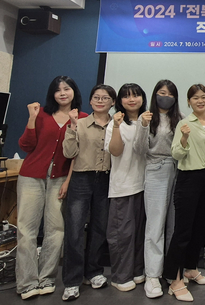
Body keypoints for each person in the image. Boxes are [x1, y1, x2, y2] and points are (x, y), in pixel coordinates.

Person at [16, 76, 86, 300]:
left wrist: (68, 181)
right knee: (26, 230)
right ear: (52, 94)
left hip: (61, 178)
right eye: (57, 90)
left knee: (55, 230)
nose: (62, 93)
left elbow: (77, 154)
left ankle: (46, 278)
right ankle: (26, 282)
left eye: (66, 89)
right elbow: (26, 145)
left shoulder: (81, 117)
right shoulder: (42, 115)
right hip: (31, 176)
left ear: (74, 91)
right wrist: (31, 119)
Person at [163, 83, 205, 302]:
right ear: (188, 101)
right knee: (183, 231)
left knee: (201, 228)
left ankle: (190, 268)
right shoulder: (184, 123)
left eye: (203, 96)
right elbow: (176, 154)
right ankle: (173, 279)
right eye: (195, 98)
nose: (200, 101)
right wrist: (185, 138)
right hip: (189, 179)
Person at [61, 84, 116, 301]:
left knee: (99, 228)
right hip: (82, 178)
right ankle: (72, 281)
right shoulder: (80, 123)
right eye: (96, 97)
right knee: (74, 230)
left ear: (112, 101)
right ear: (90, 101)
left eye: (106, 97)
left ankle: (93, 272)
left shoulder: (117, 124)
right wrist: (72, 128)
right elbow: (69, 152)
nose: (101, 100)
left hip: (106, 179)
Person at [134, 80, 184, 298]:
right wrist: (143, 127)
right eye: (162, 93)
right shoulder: (146, 118)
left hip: (177, 170)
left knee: (174, 225)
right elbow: (139, 149)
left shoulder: (179, 119)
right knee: (155, 226)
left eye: (170, 94)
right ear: (155, 95)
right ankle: (152, 275)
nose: (166, 97)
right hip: (155, 169)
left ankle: (170, 272)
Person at [105, 83, 149, 292]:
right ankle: (120, 276)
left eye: (136, 95)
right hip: (123, 186)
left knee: (140, 232)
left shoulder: (147, 120)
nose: (132, 99)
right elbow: (115, 151)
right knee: (122, 234)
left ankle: (137, 270)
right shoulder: (117, 123)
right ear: (119, 101)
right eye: (126, 96)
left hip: (145, 185)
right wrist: (115, 126)